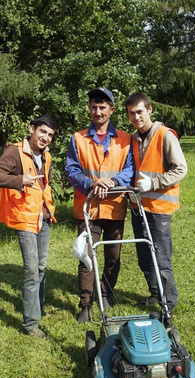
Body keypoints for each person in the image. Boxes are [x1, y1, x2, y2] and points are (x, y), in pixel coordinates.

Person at [0, 115, 57, 338]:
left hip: (43, 218)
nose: (45, 137)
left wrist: (48, 211)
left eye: (50, 135)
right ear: (32, 129)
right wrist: (19, 181)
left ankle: (39, 308)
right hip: (25, 219)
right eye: (42, 131)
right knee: (31, 270)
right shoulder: (14, 151)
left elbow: (45, 186)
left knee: (42, 267)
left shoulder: (46, 157)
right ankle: (30, 324)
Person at [66, 88, 134, 323]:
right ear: (89, 109)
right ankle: (85, 303)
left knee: (113, 256)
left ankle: (105, 293)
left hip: (115, 206)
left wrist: (113, 181)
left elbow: (130, 170)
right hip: (88, 208)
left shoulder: (126, 139)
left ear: (111, 110)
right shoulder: (78, 138)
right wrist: (92, 183)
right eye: (94, 107)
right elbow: (72, 170)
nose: (98, 111)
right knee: (87, 257)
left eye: (102, 107)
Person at [124, 93, 187, 315]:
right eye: (131, 113)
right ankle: (155, 293)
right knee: (144, 257)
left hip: (159, 208)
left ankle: (168, 303)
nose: (136, 117)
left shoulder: (165, 135)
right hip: (138, 207)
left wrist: (154, 182)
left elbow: (180, 169)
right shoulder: (134, 138)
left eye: (139, 111)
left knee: (161, 258)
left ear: (149, 110)